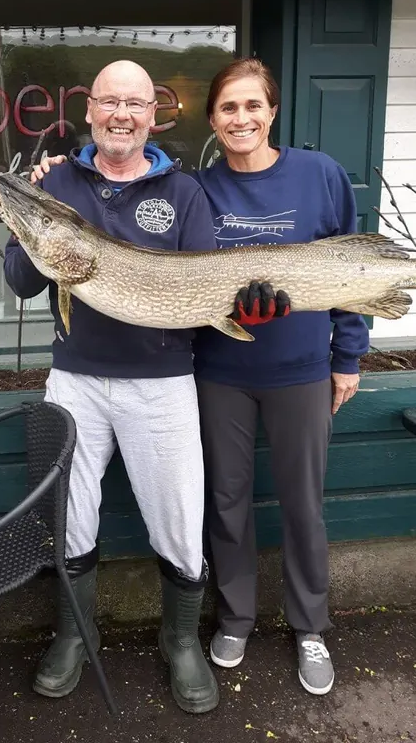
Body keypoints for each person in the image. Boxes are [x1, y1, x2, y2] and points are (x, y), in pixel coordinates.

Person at [4, 60, 280, 714]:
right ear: (90, 110)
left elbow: (211, 294)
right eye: (109, 102)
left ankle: (179, 640)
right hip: (74, 378)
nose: (121, 113)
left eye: (134, 102)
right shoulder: (57, 182)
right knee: (68, 516)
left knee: (180, 519)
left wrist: (250, 308)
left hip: (161, 383)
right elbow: (20, 281)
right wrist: (29, 225)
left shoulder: (183, 193)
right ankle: (76, 632)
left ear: (152, 114)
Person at [191, 57, 369, 697]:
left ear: (272, 111)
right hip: (221, 371)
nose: (241, 118)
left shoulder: (319, 175)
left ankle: (310, 626)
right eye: (228, 108)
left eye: (252, 106)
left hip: (300, 370)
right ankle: (235, 616)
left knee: (303, 505)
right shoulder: (197, 189)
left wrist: (348, 355)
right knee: (228, 502)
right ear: (213, 119)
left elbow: (351, 265)